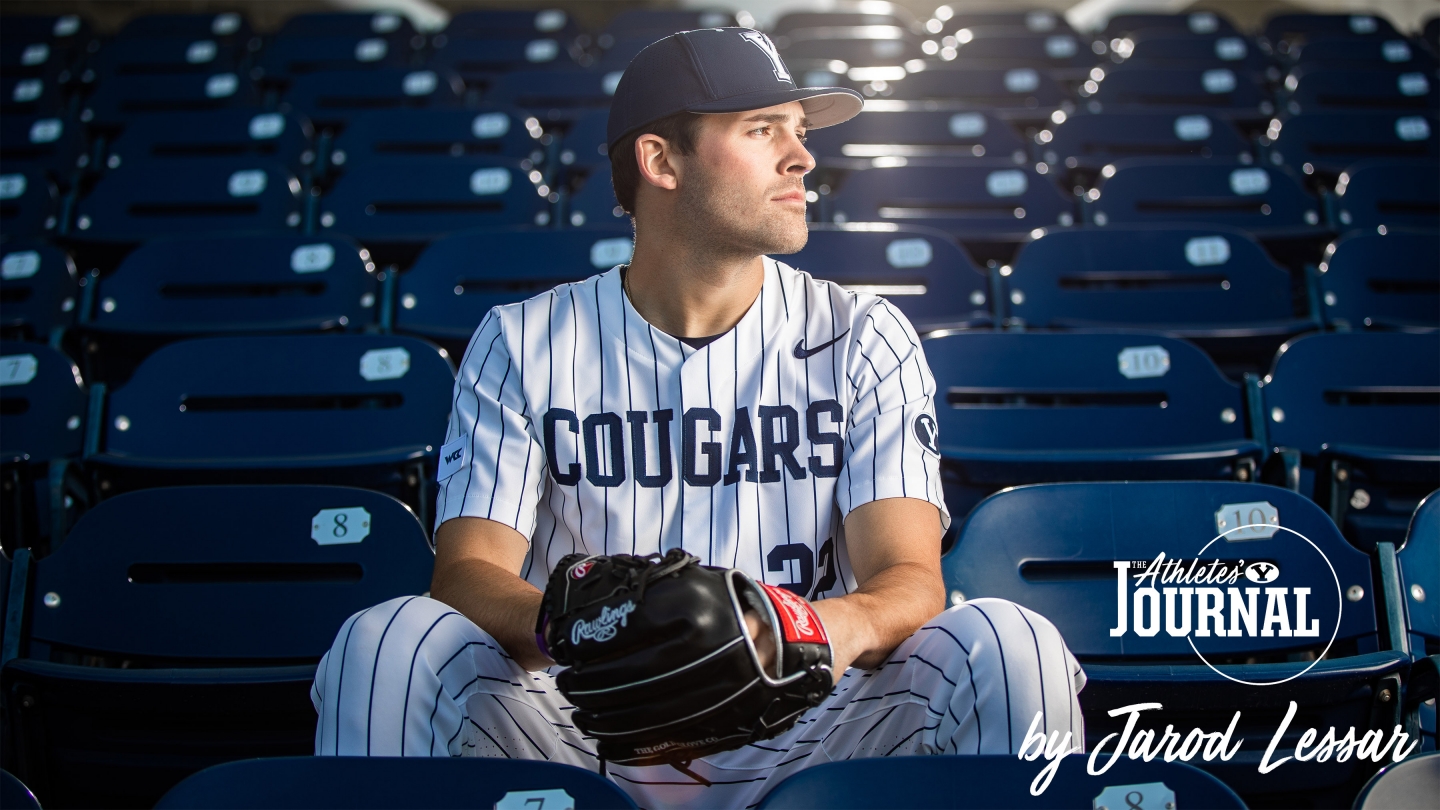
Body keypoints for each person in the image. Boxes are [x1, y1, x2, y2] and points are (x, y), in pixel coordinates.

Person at [311, 27, 1085, 809]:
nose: (802, 157)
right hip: (587, 716)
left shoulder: (863, 335)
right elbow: (466, 575)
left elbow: (910, 581)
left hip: (813, 711)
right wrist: (594, 632)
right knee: (385, 644)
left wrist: (800, 630)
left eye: (800, 130)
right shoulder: (522, 340)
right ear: (660, 161)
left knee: (1011, 642)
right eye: (762, 129)